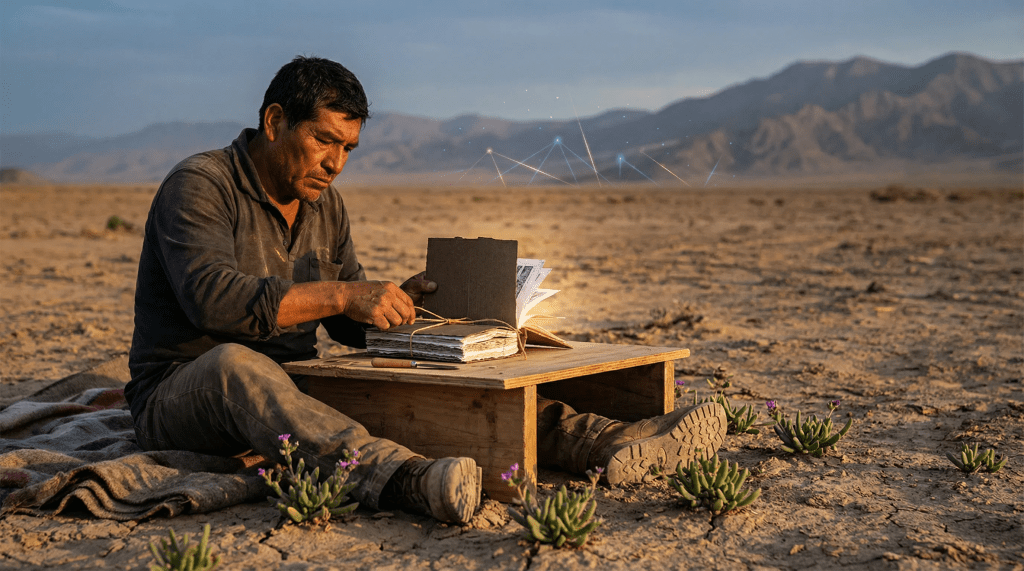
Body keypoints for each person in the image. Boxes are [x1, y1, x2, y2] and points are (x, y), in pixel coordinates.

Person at [125, 55, 726, 525]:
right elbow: (213, 299)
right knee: (234, 365)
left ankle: (600, 442)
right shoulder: (201, 185)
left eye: (348, 149)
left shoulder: (325, 205)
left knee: (421, 376)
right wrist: (344, 295)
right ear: (275, 121)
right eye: (324, 140)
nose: (336, 163)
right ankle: (404, 479)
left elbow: (346, 325)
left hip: (294, 386)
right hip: (186, 392)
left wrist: (399, 306)